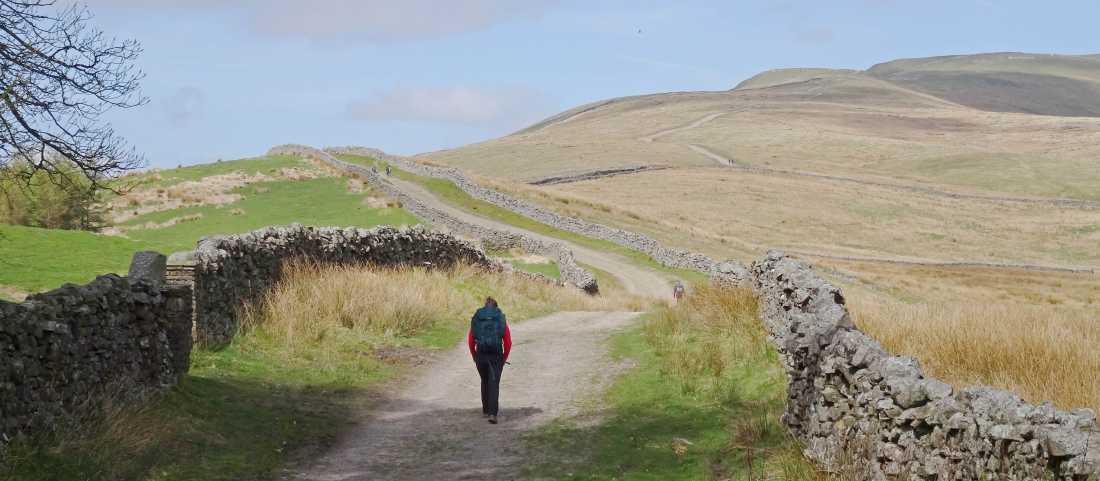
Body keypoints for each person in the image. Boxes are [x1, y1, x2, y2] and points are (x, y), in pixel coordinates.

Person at [467, 297, 511, 424]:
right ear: (496, 307)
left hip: (481, 355)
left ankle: (486, 410)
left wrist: (474, 355)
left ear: (485, 306)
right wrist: (504, 358)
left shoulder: (478, 318)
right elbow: (508, 342)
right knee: (494, 383)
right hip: (496, 356)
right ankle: (492, 414)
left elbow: (471, 340)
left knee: (485, 380)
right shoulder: (500, 318)